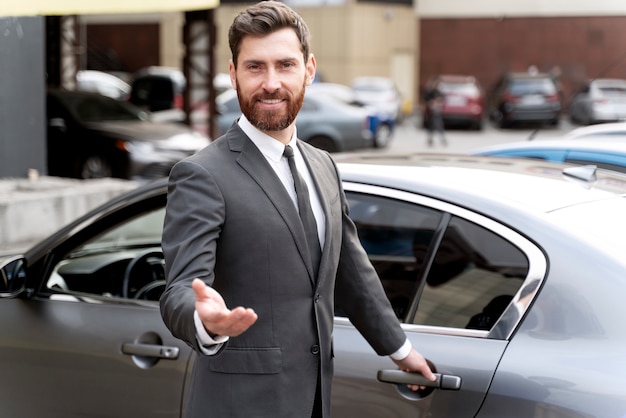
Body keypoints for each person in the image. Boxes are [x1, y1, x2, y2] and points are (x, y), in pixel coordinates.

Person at [159, 2, 435, 417]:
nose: (271, 83)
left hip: (313, 399)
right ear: (233, 74)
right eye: (255, 67)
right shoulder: (201, 174)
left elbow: (350, 272)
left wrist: (400, 349)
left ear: (309, 69)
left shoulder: (322, 164)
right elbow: (181, 288)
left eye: (285, 65)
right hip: (239, 406)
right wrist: (204, 321)